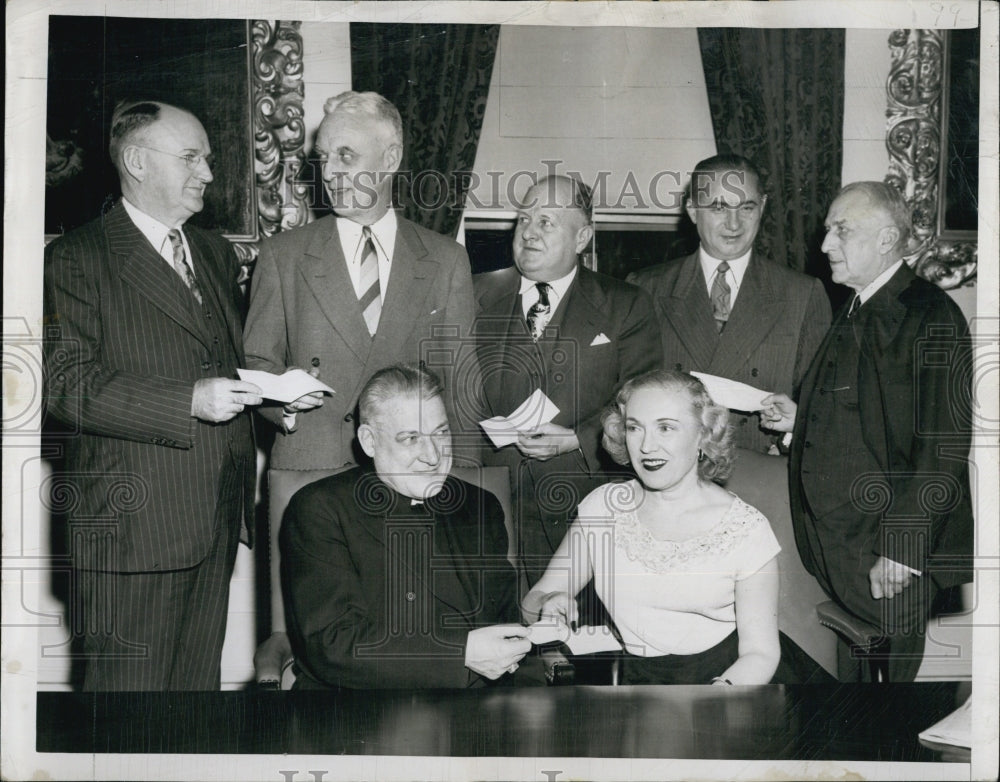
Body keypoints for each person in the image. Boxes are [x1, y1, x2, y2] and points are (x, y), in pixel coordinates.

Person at [243, 91, 478, 680]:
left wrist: (461, 486)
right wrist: (285, 410)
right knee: (332, 647)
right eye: (324, 159)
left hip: (412, 483)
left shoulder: (445, 259)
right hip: (313, 465)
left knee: (406, 642)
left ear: (391, 156)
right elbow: (257, 359)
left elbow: (461, 381)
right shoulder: (284, 255)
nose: (332, 173)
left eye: (347, 156)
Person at [43, 100, 262, 690]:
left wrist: (271, 397)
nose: (209, 174)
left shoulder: (215, 252)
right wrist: (186, 401)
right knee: (121, 719)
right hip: (131, 529)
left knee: (192, 710)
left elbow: (220, 360)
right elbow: (65, 384)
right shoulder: (76, 258)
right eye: (191, 157)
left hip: (215, 516)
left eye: (209, 159)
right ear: (137, 162)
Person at [762, 181, 974, 681]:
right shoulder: (858, 305)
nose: (825, 244)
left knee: (886, 713)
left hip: (887, 553)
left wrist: (901, 549)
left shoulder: (929, 314)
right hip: (845, 548)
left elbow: (940, 446)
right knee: (855, 698)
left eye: (842, 230)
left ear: (885, 239)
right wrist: (804, 419)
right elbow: (870, 415)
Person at [523, 370, 781, 685]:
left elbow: (761, 653)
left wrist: (719, 698)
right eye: (635, 427)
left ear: (703, 434)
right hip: (629, 680)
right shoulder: (604, 507)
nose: (647, 446)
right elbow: (534, 601)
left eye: (666, 428)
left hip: (731, 680)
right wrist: (548, 605)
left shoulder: (746, 528)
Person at [281, 365, 530, 688]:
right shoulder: (321, 509)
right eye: (411, 438)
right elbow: (333, 644)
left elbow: (505, 624)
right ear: (369, 442)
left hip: (470, 713)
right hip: (356, 713)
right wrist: (459, 655)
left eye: (441, 433)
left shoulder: (480, 506)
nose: (433, 456)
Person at [473, 174, 662, 588]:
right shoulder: (474, 294)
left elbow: (644, 400)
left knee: (578, 636)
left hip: (583, 499)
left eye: (547, 222)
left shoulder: (625, 305)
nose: (529, 233)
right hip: (488, 500)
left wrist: (579, 438)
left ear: (582, 238)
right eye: (523, 220)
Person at [628, 154, 831, 453]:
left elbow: (821, 407)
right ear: (693, 211)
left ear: (762, 207)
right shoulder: (646, 288)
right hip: (671, 469)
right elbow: (627, 397)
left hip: (761, 473)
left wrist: (789, 444)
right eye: (718, 207)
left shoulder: (802, 294)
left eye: (746, 207)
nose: (734, 223)